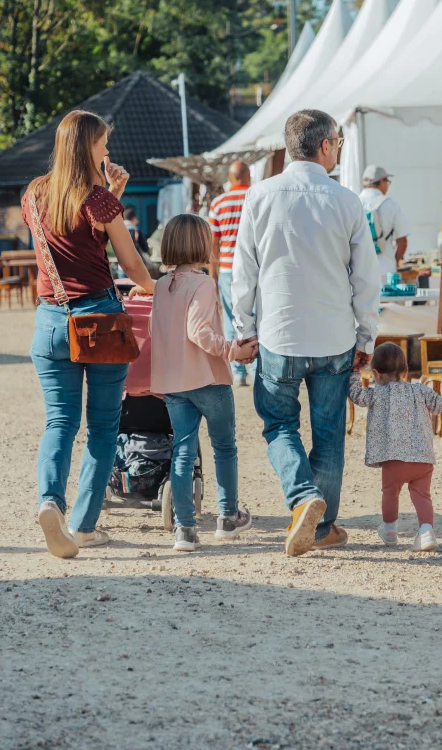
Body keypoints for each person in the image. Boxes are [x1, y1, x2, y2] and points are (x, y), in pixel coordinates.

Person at [232, 109, 380, 557]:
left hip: (279, 333)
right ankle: (323, 524)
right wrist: (367, 337)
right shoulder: (347, 201)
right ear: (325, 145)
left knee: (279, 424)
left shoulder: (259, 196)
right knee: (329, 433)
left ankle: (302, 497)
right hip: (335, 335)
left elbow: (244, 271)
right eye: (337, 141)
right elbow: (366, 279)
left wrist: (244, 330)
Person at [21, 110, 157, 559]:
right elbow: (132, 266)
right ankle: (82, 525)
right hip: (99, 322)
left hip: (50, 321)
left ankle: (49, 503)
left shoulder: (33, 194)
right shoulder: (97, 200)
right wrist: (159, 290)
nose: (107, 150)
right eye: (102, 143)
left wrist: (109, 194)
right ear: (86, 147)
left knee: (59, 422)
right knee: (102, 427)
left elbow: (69, 235)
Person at [149, 213, 256, 552]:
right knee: (224, 447)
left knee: (182, 452)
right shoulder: (204, 283)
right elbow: (199, 332)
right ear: (201, 244)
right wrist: (233, 352)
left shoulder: (161, 286)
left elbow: (157, 332)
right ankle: (227, 518)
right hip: (207, 379)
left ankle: (184, 530)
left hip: (173, 382)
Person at [348, 342, 442, 551]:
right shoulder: (421, 391)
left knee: (390, 492)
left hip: (393, 458)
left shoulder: (375, 394)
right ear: (405, 372)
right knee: (422, 495)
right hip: (422, 459)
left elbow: (355, 394)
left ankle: (389, 530)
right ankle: (426, 532)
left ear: (376, 374)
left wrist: (355, 370)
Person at [209, 161, 252, 386]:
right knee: (255, 318)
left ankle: (237, 371)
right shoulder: (256, 197)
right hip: (253, 268)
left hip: (227, 269)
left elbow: (213, 245)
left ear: (231, 177)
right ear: (248, 175)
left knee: (230, 320)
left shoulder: (218, 203)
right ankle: (256, 368)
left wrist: (212, 276)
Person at [359, 165, 410, 285]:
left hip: (360, 271)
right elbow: (402, 241)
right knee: (389, 304)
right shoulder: (391, 205)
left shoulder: (353, 203)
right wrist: (395, 260)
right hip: (386, 271)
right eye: (387, 181)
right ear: (381, 181)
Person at [118, 206, 150, 278]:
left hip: (121, 267)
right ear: (134, 218)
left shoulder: (118, 230)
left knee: (123, 288)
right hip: (136, 267)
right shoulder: (136, 230)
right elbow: (145, 248)